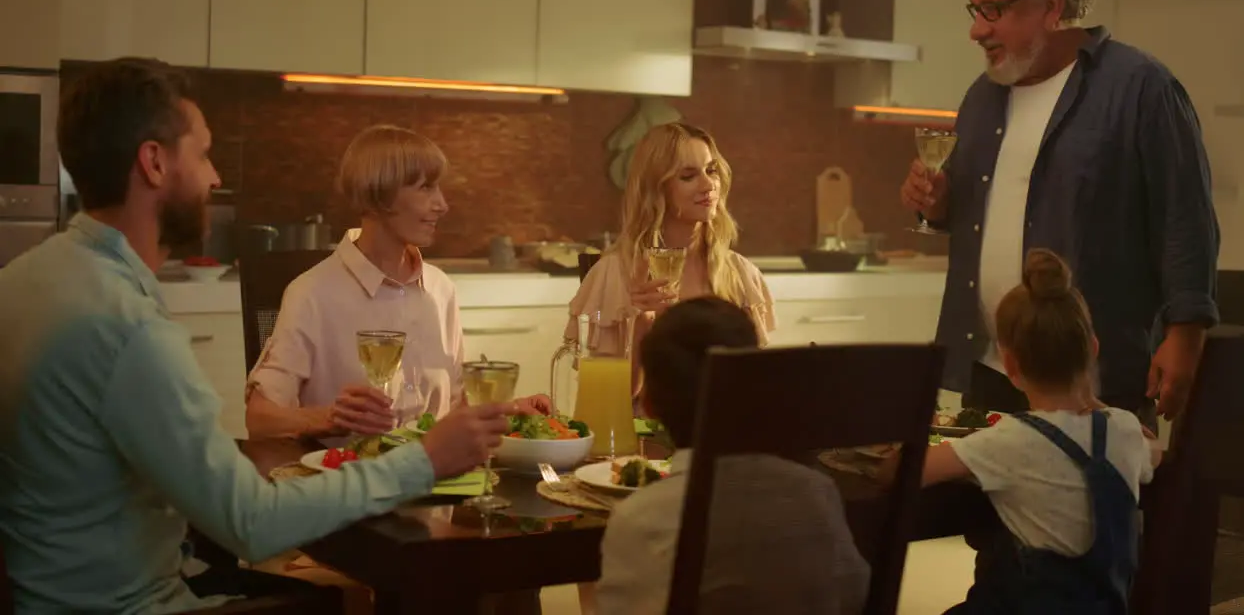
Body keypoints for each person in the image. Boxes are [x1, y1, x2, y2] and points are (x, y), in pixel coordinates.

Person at [0, 58, 514, 613]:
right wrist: (424, 461)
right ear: (153, 163)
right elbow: (250, 522)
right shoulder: (127, 328)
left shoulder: (27, 279)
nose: (215, 177)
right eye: (202, 153)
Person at [899, 0, 1219, 424]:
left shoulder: (1139, 87)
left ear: (1050, 7)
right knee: (976, 503)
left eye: (994, 11)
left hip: (1089, 378)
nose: (977, 30)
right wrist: (935, 205)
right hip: (992, 370)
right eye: (974, 11)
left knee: (1087, 501)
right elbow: (972, 212)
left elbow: (1186, 218)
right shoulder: (982, 98)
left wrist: (1186, 335)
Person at [245, 125, 549, 444]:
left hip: (437, 481)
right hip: (350, 482)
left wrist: (512, 410)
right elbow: (260, 418)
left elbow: (455, 411)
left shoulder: (441, 290)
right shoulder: (311, 294)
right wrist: (328, 418)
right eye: (425, 188)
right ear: (380, 193)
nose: (442, 205)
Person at [911, 249, 1160, 613]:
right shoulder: (1122, 431)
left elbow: (907, 470)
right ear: (1092, 349)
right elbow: (1152, 447)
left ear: (1009, 363)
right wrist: (1093, 400)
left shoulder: (1010, 440)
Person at [597, 297, 870, 615]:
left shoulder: (642, 517)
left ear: (649, 405)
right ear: (756, 387)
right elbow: (855, 596)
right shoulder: (816, 492)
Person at [567, 122, 775, 408]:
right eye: (688, 176)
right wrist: (642, 322)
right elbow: (604, 405)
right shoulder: (613, 274)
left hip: (725, 438)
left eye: (711, 170)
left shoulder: (741, 274)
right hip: (644, 444)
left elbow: (755, 388)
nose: (708, 185)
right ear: (656, 190)